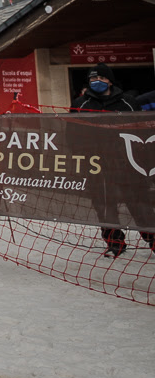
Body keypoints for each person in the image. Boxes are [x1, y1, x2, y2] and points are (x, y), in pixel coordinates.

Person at [70, 63, 151, 256]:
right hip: (97, 165)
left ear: (110, 81)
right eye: (92, 79)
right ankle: (115, 244)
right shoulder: (80, 104)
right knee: (105, 207)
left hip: (128, 164)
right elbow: (72, 135)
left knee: (140, 206)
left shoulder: (129, 102)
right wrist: (81, 158)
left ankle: (153, 240)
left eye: (101, 78)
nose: (97, 82)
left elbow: (144, 132)